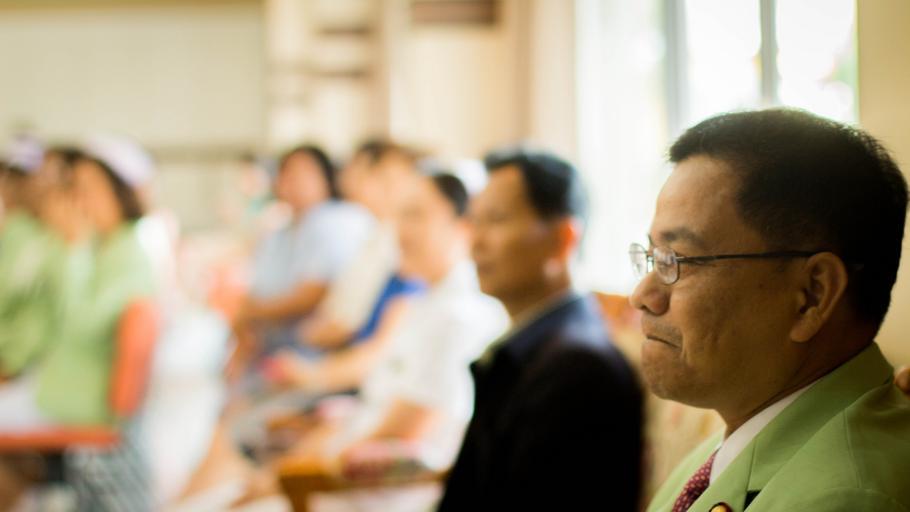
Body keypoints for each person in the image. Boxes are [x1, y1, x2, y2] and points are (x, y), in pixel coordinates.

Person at [632, 109, 910, 512]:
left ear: (812, 295)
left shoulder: (844, 498)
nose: (642, 295)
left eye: (679, 260)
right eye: (655, 257)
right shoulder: (742, 435)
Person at [438, 149, 643, 511]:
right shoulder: (534, 348)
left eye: (496, 220)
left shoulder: (576, 368)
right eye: (475, 221)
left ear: (563, 239)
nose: (475, 242)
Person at [231, 145, 372, 368]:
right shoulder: (279, 234)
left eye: (305, 174)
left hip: (312, 349)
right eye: (287, 174)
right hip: (271, 345)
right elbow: (253, 292)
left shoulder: (334, 219)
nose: (295, 183)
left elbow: (311, 294)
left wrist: (252, 313)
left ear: (326, 178)